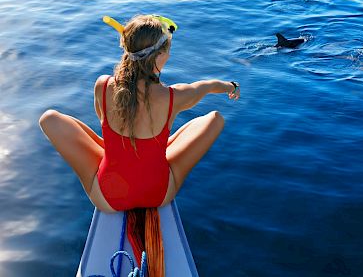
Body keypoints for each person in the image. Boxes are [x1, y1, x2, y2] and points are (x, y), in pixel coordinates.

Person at [39, 14, 240, 213]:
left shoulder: (103, 84)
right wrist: (232, 86)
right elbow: (207, 86)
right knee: (215, 119)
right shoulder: (174, 96)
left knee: (49, 119)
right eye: (168, 50)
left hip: (107, 198)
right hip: (159, 194)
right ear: (160, 56)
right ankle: (150, 152)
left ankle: (119, 153)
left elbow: (101, 117)